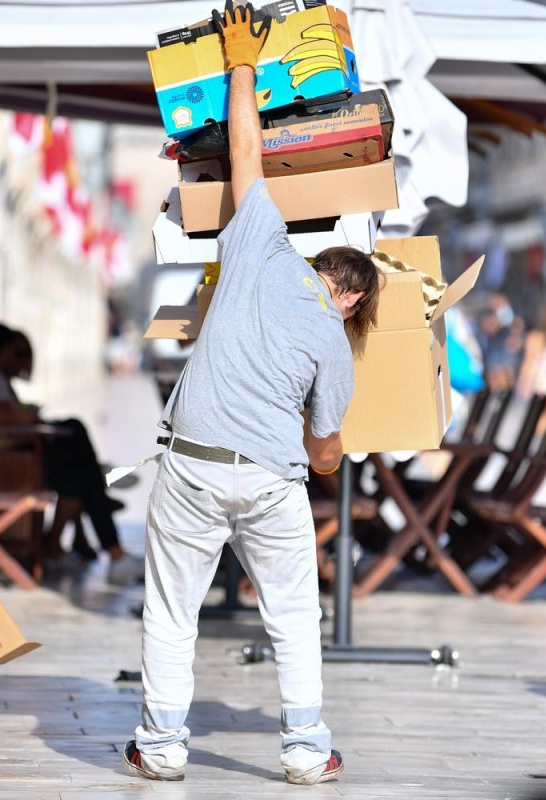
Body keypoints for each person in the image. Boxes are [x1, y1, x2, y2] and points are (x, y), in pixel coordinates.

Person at [121, 1, 380, 785]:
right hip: (270, 480)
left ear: (318, 266)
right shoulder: (335, 342)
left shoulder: (260, 245)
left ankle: (161, 747)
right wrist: (326, 449)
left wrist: (241, 63)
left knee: (173, 610)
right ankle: (304, 751)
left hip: (193, 463)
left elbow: (246, 153)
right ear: (352, 299)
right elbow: (326, 452)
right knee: (293, 616)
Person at [0, 324, 142, 582]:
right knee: (80, 462)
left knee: (79, 459)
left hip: (14, 452)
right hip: (10, 459)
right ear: (1, 350)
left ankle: (97, 497)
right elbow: (5, 415)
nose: (22, 361)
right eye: (18, 353)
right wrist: (24, 415)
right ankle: (99, 498)